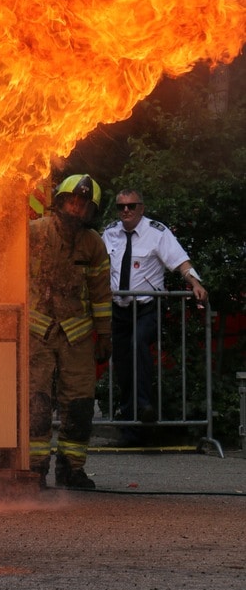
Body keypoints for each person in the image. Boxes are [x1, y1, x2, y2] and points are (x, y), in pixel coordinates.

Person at [102, 189, 208, 441]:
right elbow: (98, 265)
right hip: (119, 309)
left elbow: (180, 261)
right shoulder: (110, 233)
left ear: (142, 208)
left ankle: (144, 406)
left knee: (138, 344)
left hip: (147, 306)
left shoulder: (157, 232)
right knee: (123, 364)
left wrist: (195, 284)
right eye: (121, 207)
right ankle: (130, 428)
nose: (125, 211)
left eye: (131, 206)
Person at [29, 174, 113, 490]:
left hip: (77, 337)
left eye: (84, 206)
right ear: (61, 201)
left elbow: (101, 294)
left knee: (79, 404)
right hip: (37, 331)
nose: (77, 210)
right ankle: (34, 469)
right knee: (35, 402)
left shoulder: (93, 244)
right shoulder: (35, 234)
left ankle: (71, 470)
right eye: (73, 202)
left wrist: (104, 335)